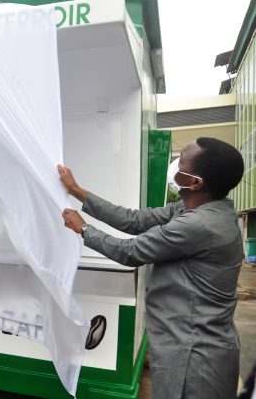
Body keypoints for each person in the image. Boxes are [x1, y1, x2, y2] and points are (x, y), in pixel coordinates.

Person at [58, 137, 244, 399]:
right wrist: (76, 190)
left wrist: (84, 229)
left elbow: (130, 251)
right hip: (190, 344)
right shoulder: (195, 208)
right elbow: (133, 220)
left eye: (181, 162)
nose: (175, 164)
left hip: (193, 356)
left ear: (195, 182)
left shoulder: (199, 225)